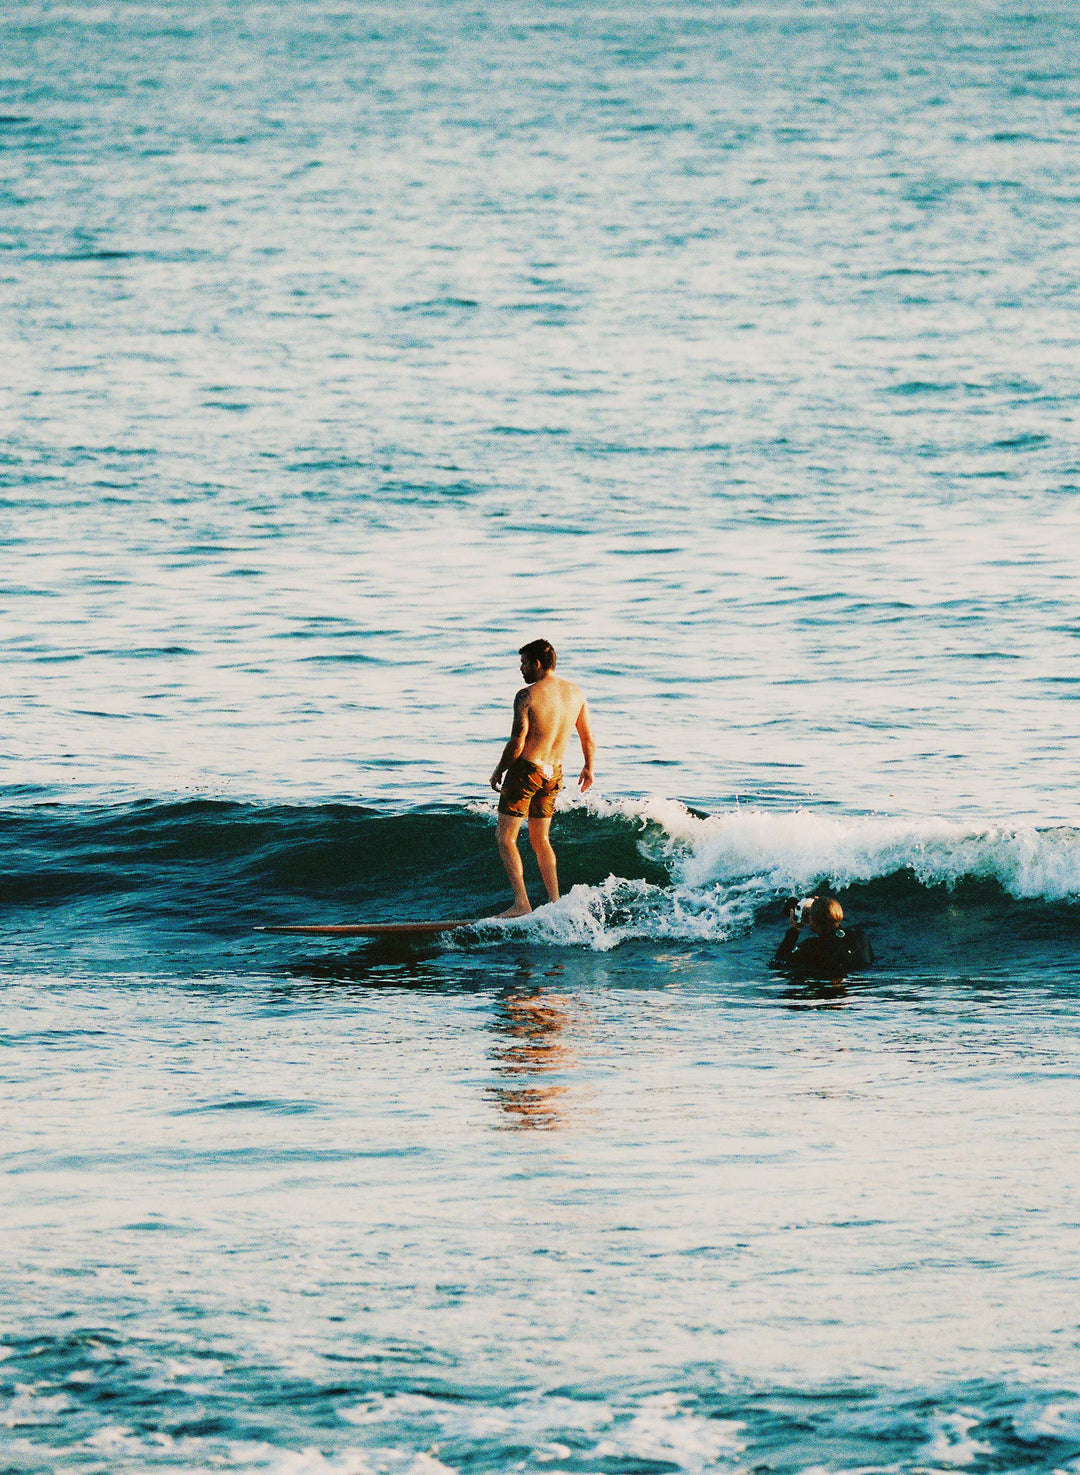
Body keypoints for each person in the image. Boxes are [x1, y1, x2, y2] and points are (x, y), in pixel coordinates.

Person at [489, 639, 595, 917]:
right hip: (554, 773)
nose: (521, 669)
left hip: (526, 771)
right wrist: (588, 767)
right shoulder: (576, 693)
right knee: (541, 839)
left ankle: (521, 904)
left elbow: (517, 742)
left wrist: (500, 769)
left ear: (537, 663)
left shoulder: (527, 695)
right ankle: (555, 901)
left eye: (523, 663)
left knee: (505, 838)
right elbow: (588, 737)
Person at [774, 894, 874, 977]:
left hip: (829, 991)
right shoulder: (860, 936)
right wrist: (822, 905)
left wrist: (794, 931)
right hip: (859, 990)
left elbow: (778, 963)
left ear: (813, 922)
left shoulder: (811, 947)